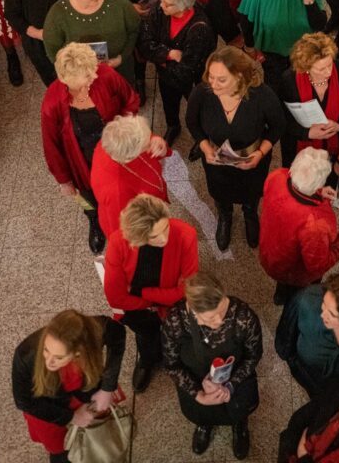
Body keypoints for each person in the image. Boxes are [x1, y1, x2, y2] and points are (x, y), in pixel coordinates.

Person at [41, 42, 139, 252]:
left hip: (115, 152)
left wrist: (124, 129)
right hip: (81, 159)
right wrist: (63, 180)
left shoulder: (105, 75)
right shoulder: (52, 101)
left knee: (121, 190)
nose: (94, 77)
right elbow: (51, 145)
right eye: (87, 76)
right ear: (67, 80)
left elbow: (130, 100)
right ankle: (95, 221)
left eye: (93, 70)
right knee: (88, 196)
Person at [186, 47, 284, 249]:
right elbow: (192, 122)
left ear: (240, 77)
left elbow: (278, 126)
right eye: (211, 77)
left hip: (252, 159)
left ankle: (250, 214)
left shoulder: (261, 95)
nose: (213, 84)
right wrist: (205, 147)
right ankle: (225, 216)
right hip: (216, 160)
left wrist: (260, 153)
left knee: (252, 191)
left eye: (221, 80)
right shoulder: (203, 93)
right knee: (220, 192)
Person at [162, 271, 263, 459]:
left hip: (237, 378)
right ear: (192, 311)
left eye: (222, 310)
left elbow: (253, 357)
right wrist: (198, 394)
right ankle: (205, 423)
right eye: (211, 318)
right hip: (195, 380)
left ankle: (239, 425)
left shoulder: (243, 316)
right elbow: (172, 365)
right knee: (201, 411)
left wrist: (231, 385)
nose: (220, 320)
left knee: (239, 409)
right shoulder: (176, 321)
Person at [104, 195, 199, 392]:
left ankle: (172, 360)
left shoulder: (185, 234)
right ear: (139, 237)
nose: (164, 238)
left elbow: (188, 288)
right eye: (155, 236)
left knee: (176, 335)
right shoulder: (118, 243)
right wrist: (155, 302)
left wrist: (143, 293)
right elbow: (116, 297)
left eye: (166, 228)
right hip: (137, 310)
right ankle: (147, 360)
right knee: (146, 336)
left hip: (166, 306)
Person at [12, 310, 126, 463]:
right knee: (61, 450)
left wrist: (107, 387)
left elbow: (118, 335)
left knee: (99, 433)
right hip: (50, 407)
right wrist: (71, 417)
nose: (49, 362)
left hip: (86, 393)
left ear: (78, 353)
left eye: (59, 357)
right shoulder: (25, 355)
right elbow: (24, 401)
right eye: (46, 350)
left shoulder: (95, 331)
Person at [260, 147, 339, 303]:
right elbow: (317, 265)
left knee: (282, 284)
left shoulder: (277, 176)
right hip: (295, 273)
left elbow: (295, 189)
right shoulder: (315, 224)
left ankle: (280, 295)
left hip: (270, 254)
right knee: (298, 293)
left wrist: (318, 192)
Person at [137, 0, 217, 145]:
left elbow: (187, 69)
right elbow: (144, 43)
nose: (161, 5)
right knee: (169, 105)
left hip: (194, 80)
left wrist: (159, 59)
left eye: (168, 4)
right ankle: (173, 127)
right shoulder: (160, 11)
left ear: (184, 6)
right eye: (162, 0)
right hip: (167, 76)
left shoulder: (200, 28)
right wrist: (169, 54)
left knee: (198, 109)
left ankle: (202, 137)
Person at [239, 0, 328, 91]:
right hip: (273, 50)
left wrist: (309, 1)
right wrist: (249, 47)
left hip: (303, 46)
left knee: (300, 81)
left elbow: (319, 25)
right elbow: (246, 20)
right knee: (276, 84)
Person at [277, 29, 339, 176]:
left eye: (330, 64)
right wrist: (307, 132)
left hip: (336, 146)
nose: (328, 72)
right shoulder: (289, 80)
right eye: (321, 69)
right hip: (299, 147)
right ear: (306, 68)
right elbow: (281, 117)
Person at [43, 0, 141, 83]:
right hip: (81, 80)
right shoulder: (57, 14)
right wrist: (73, 72)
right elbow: (53, 51)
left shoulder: (119, 2)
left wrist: (121, 58)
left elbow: (134, 30)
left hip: (119, 71)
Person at [91, 113, 170, 237]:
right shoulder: (116, 192)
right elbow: (122, 233)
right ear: (131, 156)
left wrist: (157, 141)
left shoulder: (113, 140)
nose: (150, 141)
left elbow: (136, 135)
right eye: (146, 144)